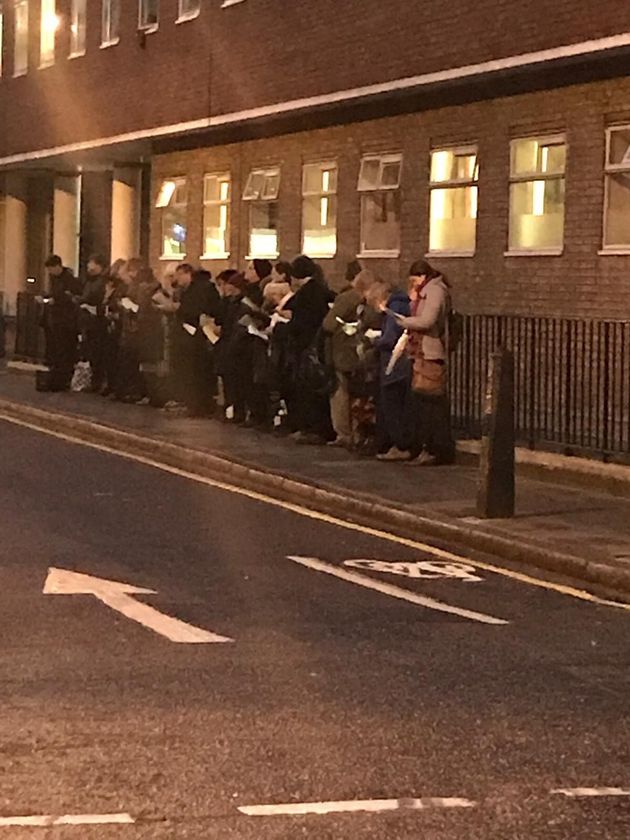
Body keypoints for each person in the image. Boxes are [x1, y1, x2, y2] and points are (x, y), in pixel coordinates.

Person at [399, 259, 455, 466]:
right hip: (421, 352)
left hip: (431, 352)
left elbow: (428, 320)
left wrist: (404, 321)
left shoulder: (435, 291)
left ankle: (436, 448)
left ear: (422, 277)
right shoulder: (425, 291)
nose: (413, 285)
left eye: (414, 281)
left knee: (431, 401)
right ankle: (426, 445)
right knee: (423, 400)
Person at [323, 269, 377, 448]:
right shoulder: (373, 301)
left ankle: (344, 434)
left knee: (341, 393)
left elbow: (328, 324)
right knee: (360, 395)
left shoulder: (347, 298)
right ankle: (358, 433)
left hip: (344, 351)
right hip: (363, 351)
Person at [285, 255, 335, 444]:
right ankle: (313, 428)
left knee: (309, 390)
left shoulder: (307, 293)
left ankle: (314, 429)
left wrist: (284, 327)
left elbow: (302, 322)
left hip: (307, 347)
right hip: (314, 346)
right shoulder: (319, 289)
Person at [369, 279, 412, 461]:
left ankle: (400, 446)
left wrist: (374, 340)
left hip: (394, 365)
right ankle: (403, 444)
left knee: (392, 408)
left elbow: (390, 339)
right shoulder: (404, 304)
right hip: (403, 364)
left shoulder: (393, 310)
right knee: (401, 407)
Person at [173, 265, 222, 417]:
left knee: (198, 372)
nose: (177, 279)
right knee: (195, 372)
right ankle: (196, 405)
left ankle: (200, 406)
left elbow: (197, 311)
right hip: (192, 335)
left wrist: (180, 311)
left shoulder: (199, 290)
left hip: (198, 336)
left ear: (189, 274)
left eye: (179, 274)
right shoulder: (190, 290)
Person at [42, 255, 81, 390]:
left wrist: (56, 301)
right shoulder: (55, 279)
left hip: (66, 322)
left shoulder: (69, 280)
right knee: (57, 351)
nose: (49, 273)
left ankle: (62, 380)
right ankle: (57, 379)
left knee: (64, 351)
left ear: (57, 266)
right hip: (56, 321)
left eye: (51, 269)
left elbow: (70, 298)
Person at [78, 254, 108, 392]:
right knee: (91, 353)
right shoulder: (89, 281)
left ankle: (98, 381)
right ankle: (94, 381)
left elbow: (97, 299)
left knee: (98, 353)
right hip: (88, 321)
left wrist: (88, 305)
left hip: (97, 322)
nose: (88, 266)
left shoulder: (101, 282)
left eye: (91, 263)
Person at [101, 259, 126, 397]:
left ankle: (115, 386)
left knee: (116, 357)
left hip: (118, 326)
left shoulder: (121, 288)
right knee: (109, 357)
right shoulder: (111, 288)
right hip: (110, 325)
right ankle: (111, 384)